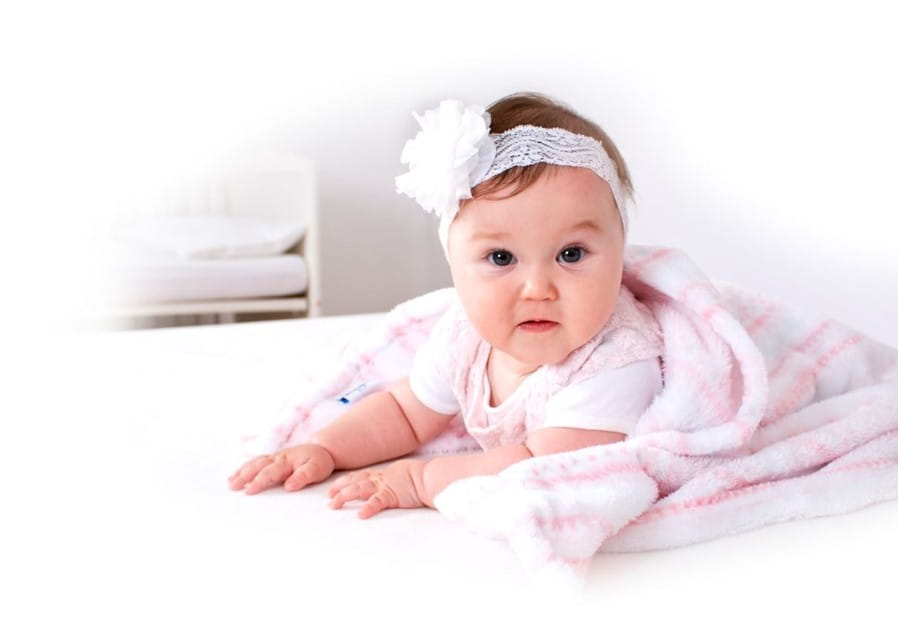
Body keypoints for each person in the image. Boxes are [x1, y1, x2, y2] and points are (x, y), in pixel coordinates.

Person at [227, 92, 664, 518]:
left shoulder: (615, 360)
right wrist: (325, 448)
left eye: (571, 254)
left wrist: (422, 481)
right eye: (501, 258)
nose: (537, 288)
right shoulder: (466, 338)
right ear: (454, 263)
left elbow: (546, 467)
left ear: (619, 251)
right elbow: (405, 413)